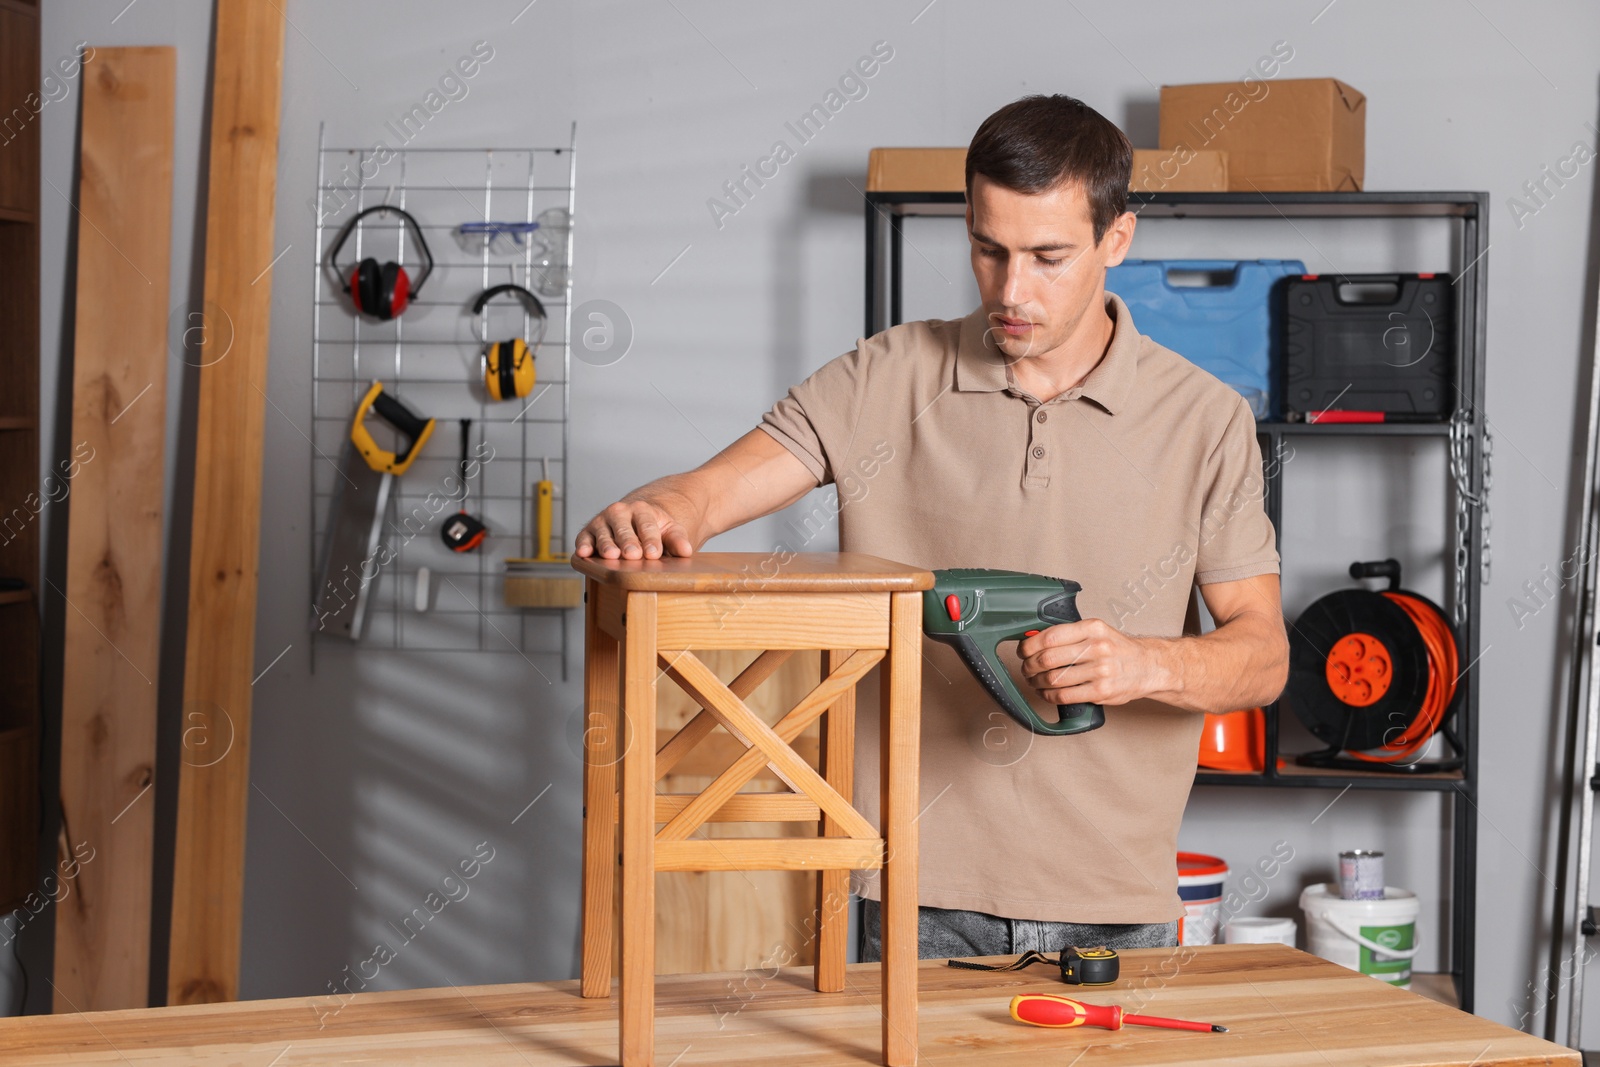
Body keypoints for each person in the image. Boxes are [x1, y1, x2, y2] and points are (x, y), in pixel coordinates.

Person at [575, 94, 1288, 961]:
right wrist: (660, 512)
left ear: (1118, 240)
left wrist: (1145, 662)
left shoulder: (1204, 419)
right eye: (989, 250)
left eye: (1048, 256)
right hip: (912, 893)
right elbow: (708, 493)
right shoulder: (886, 376)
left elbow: (1262, 655)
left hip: (1117, 902)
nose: (1011, 290)